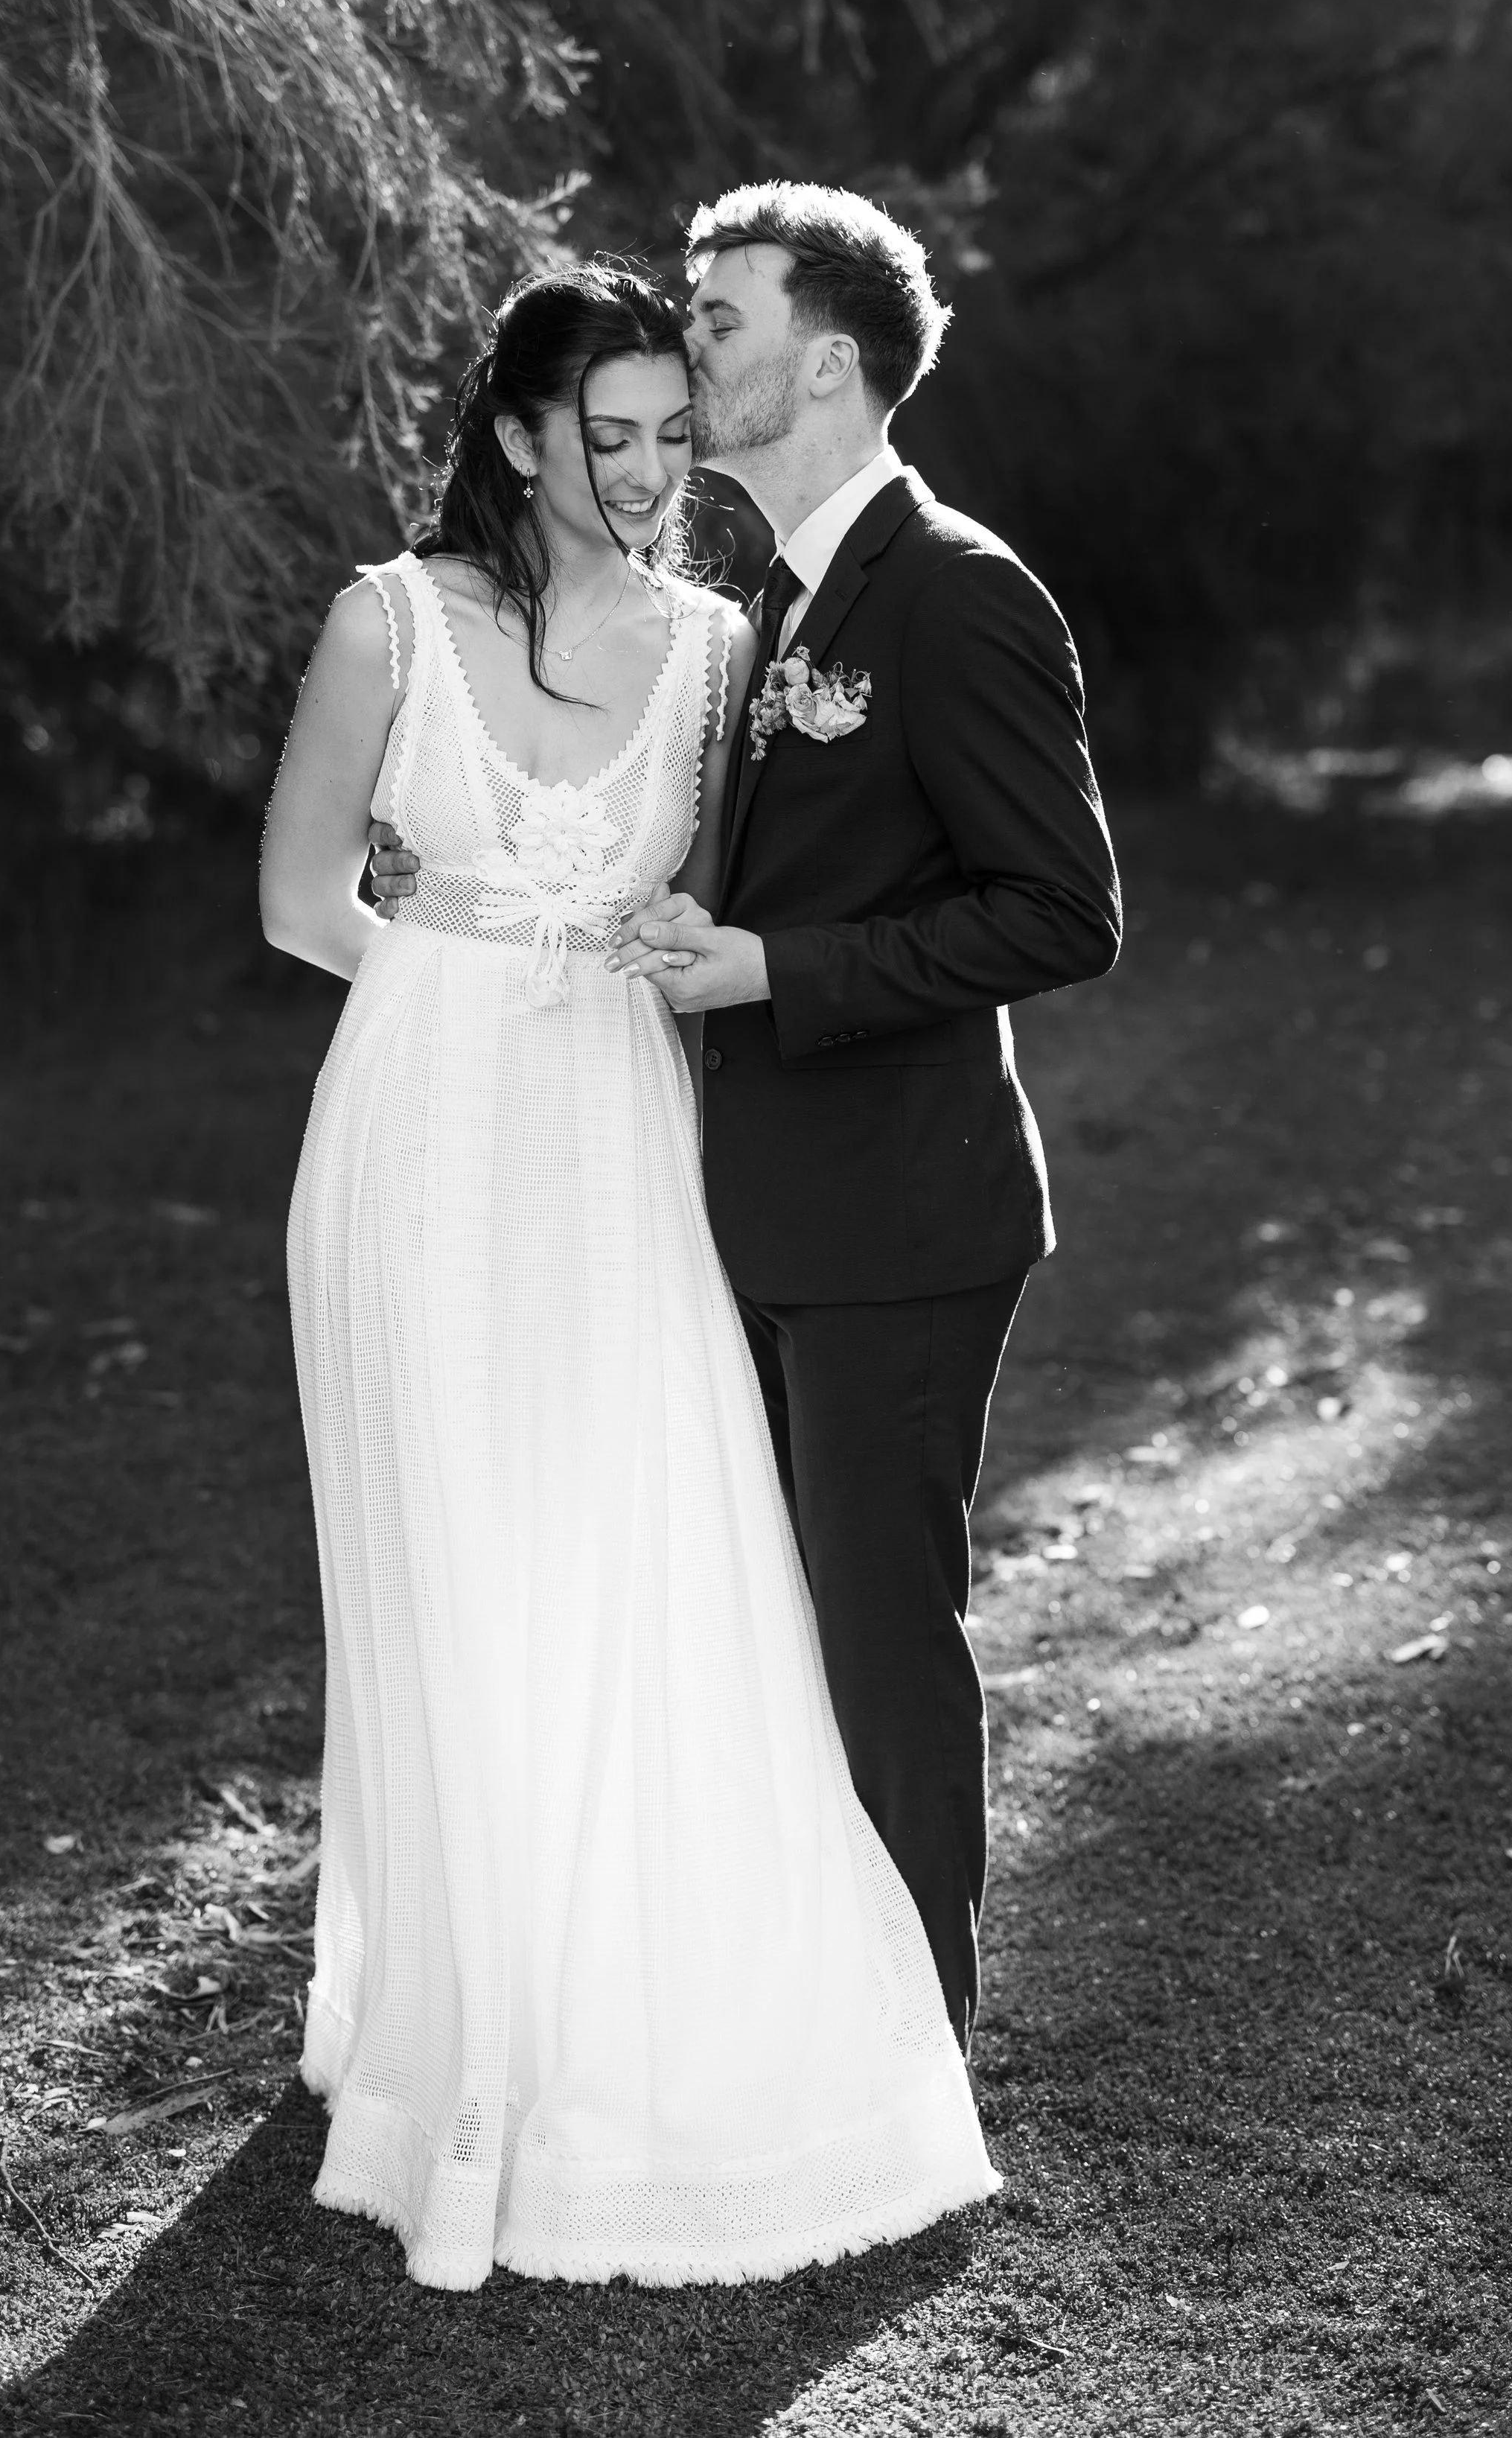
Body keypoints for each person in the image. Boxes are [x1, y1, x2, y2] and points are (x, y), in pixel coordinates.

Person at [261, 261, 999, 2294]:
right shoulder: (383, 621)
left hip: (621, 1143)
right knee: (445, 1563)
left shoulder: (718, 645)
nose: (661, 469)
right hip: (412, 1136)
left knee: (628, 1545)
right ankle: (450, 2018)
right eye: (618, 435)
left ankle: (619, 1994)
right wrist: (457, 947)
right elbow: (299, 895)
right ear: (516, 435)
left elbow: (756, 893)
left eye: (683, 430)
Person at [371, 187, 1123, 2056]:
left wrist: (782, 972)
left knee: (873, 1644)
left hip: (897, 1222)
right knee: (773, 1642)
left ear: (831, 361)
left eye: (719, 322)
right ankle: (803, 2014)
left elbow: (1061, 913)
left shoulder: (955, 592)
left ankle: (914, 2052)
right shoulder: (770, 605)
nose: (687, 349)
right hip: (750, 1206)